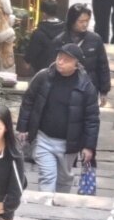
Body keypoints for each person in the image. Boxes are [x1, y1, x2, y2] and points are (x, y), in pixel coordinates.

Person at [17, 45, 100, 194]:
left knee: (64, 179)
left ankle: (60, 204)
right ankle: (45, 205)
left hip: (69, 144)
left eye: (66, 60)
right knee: (47, 176)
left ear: (76, 64)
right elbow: (28, 101)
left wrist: (89, 146)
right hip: (43, 138)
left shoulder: (86, 86)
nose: (60, 62)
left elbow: (92, 118)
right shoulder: (43, 76)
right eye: (59, 57)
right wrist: (23, 127)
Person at [59, 1, 112, 100]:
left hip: (89, 87)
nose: (85, 24)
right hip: (65, 88)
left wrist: (104, 91)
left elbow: (103, 66)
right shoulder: (60, 40)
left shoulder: (95, 39)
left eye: (87, 21)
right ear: (72, 21)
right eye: (81, 21)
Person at [21, 2, 65, 80]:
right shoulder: (64, 31)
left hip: (42, 71)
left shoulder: (39, 33)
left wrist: (27, 61)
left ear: (44, 14)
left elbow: (32, 50)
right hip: (62, 70)